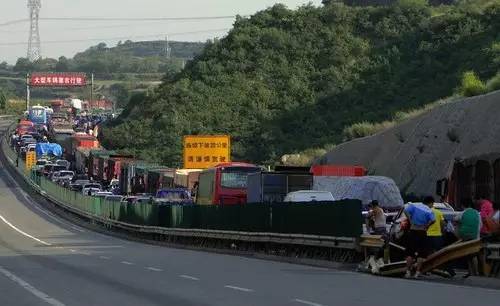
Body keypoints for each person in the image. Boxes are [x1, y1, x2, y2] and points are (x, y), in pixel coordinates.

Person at [404, 199, 436, 278]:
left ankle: (408, 272)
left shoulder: (414, 205)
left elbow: (405, 210)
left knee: (409, 253)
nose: (432, 206)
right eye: (432, 204)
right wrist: (427, 226)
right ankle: (417, 272)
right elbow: (433, 220)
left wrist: (410, 220)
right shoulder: (429, 210)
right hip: (422, 232)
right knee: (421, 254)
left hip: (413, 231)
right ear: (430, 203)